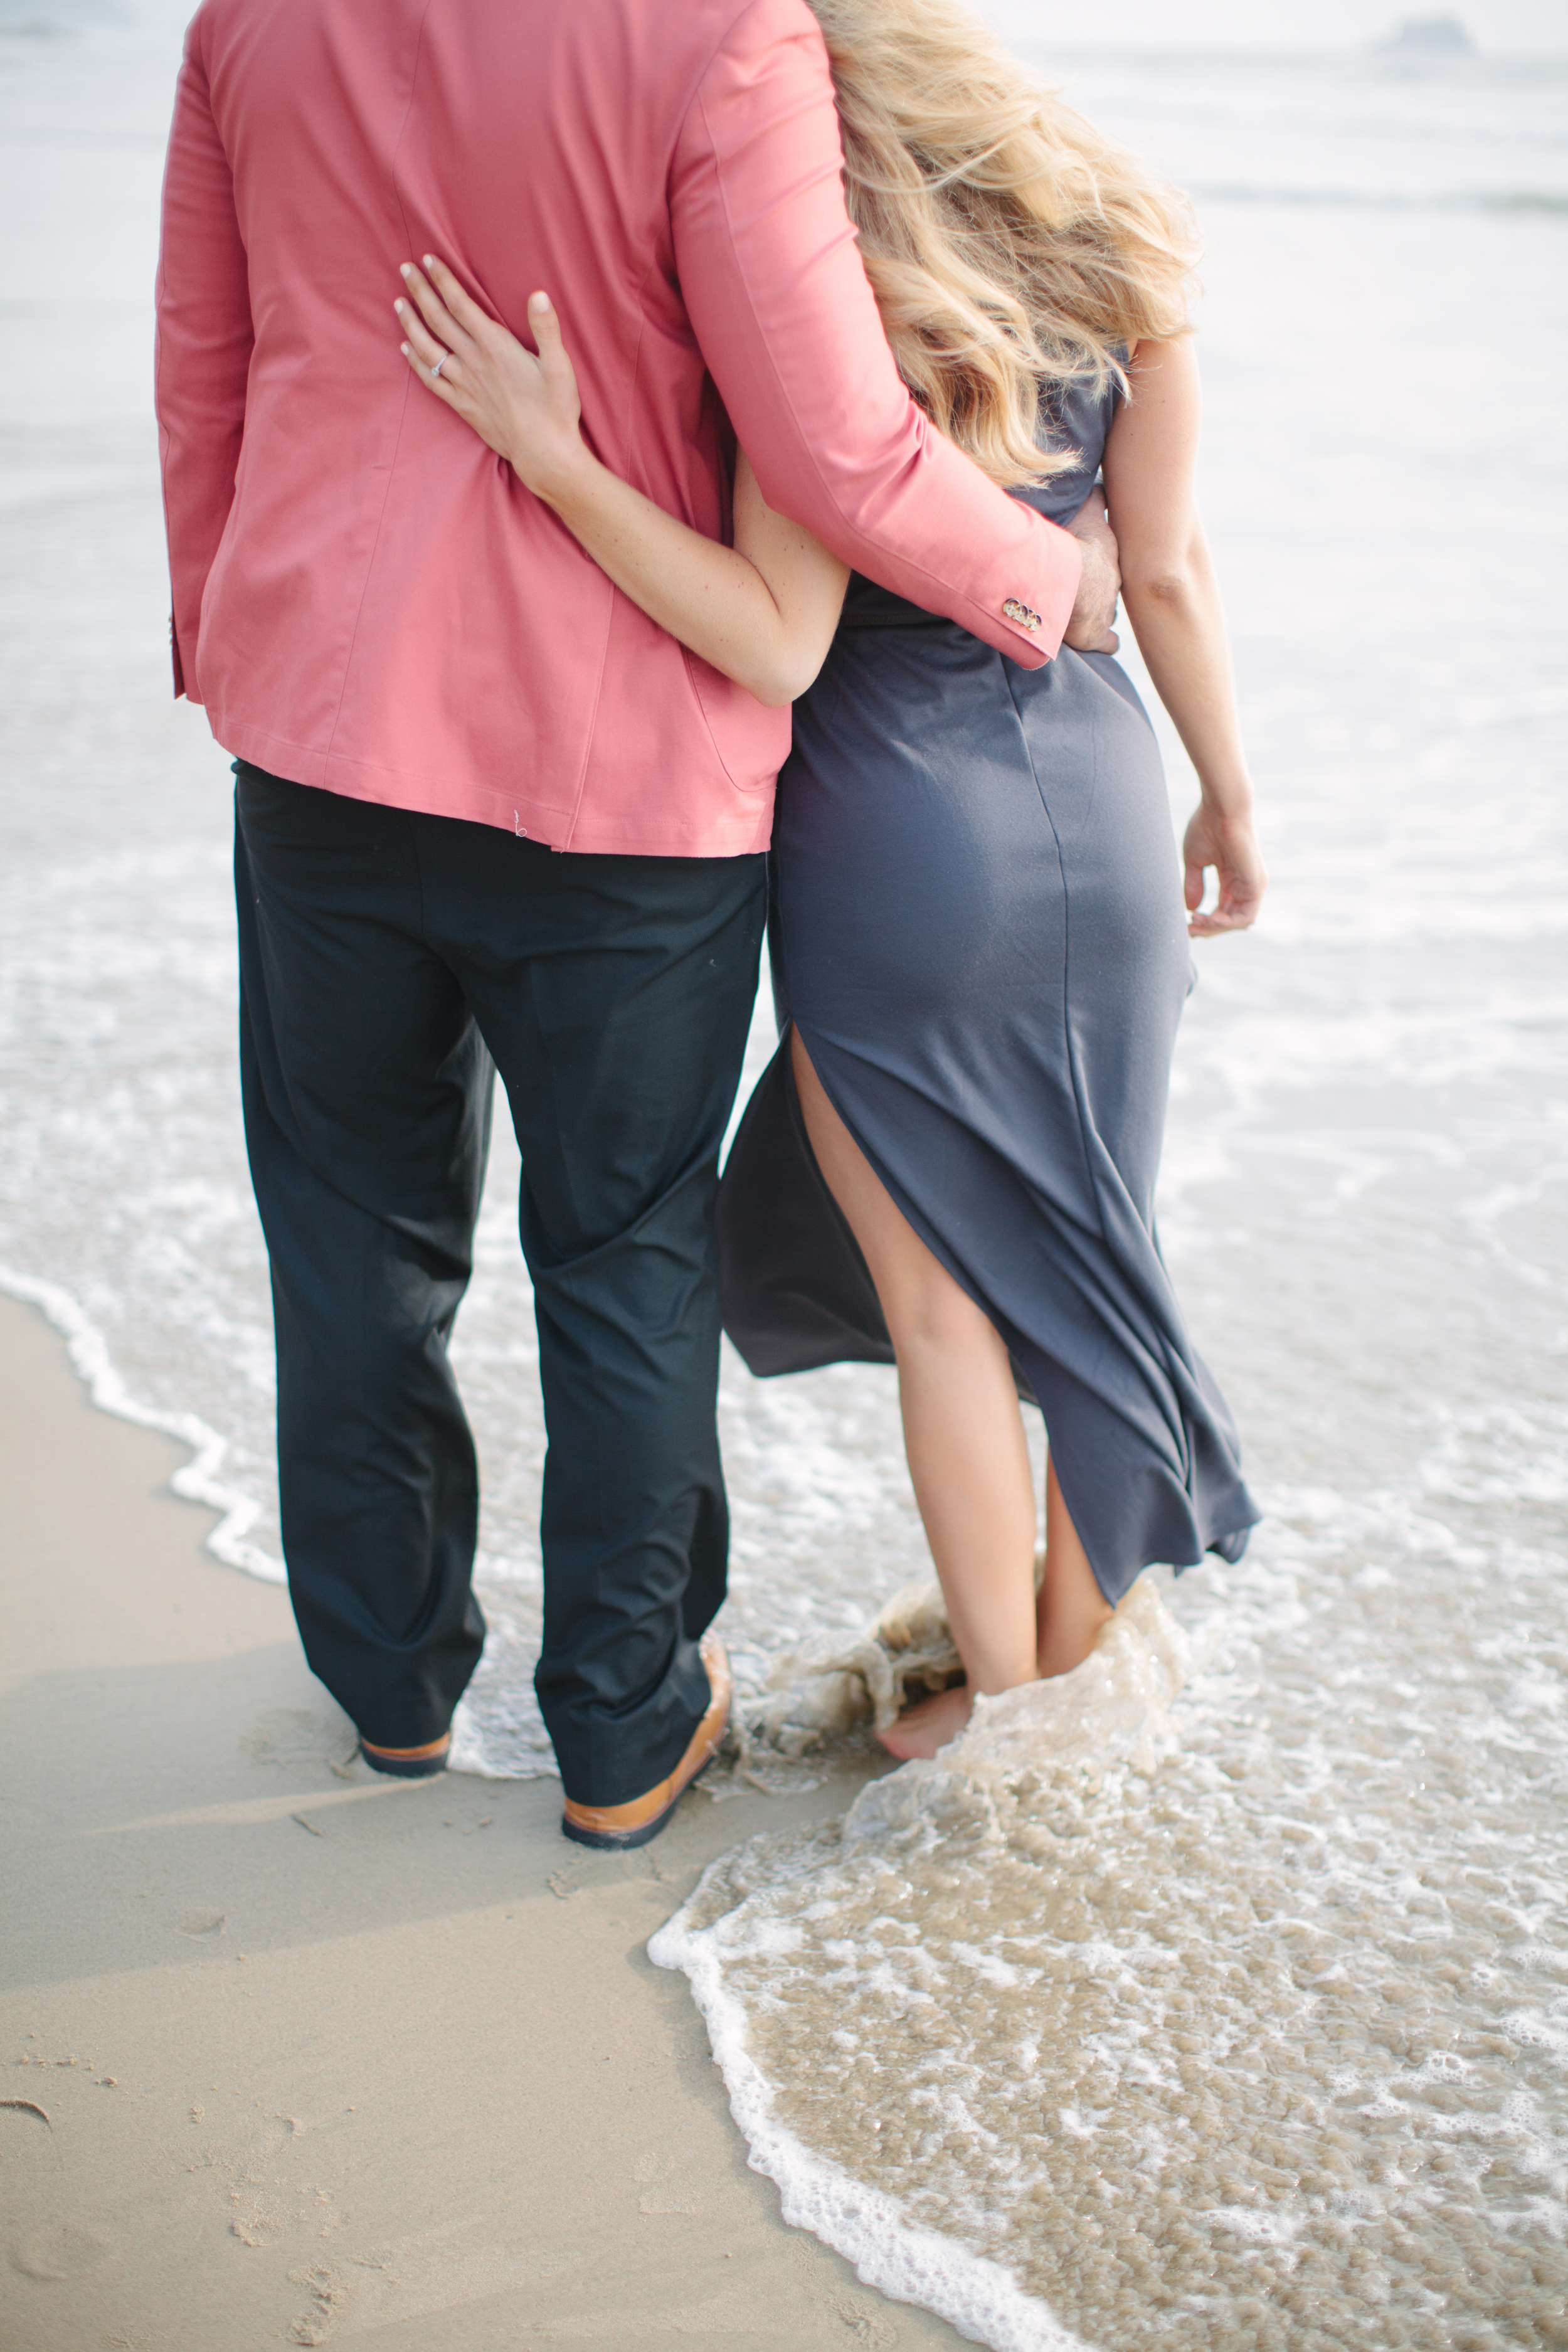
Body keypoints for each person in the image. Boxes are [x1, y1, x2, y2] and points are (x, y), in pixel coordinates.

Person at [154, 0, 1121, 1848]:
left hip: (321, 740)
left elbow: (206, 368)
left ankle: (390, 1694)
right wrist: (1042, 577)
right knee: (618, 1256)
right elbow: (833, 448)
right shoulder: (723, 42)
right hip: (626, 780)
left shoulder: (246, 22)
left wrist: (226, 632)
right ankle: (620, 1732)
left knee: (350, 1240)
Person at [389, 0, 1266, 1764]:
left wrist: (548, 454)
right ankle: (1056, 1685)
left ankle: (1005, 1721)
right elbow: (1157, 575)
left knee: (944, 1313)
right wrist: (1229, 799)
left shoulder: (819, 308)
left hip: (889, 836)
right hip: (1098, 795)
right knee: (1097, 1264)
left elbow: (755, 623)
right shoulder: (1121, 245)